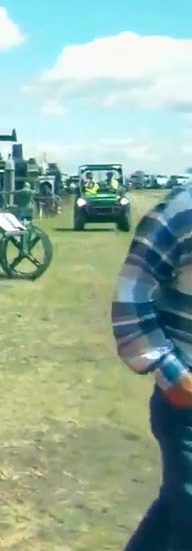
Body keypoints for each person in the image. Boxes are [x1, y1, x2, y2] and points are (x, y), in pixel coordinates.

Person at [112, 184, 192, 551]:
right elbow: (132, 293)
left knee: (176, 518)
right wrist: (171, 373)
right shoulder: (183, 209)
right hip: (189, 408)